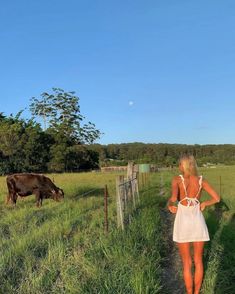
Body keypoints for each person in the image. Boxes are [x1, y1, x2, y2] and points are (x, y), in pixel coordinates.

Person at [167, 154, 220, 294]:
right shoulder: (201, 180)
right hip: (197, 221)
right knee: (198, 260)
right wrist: (204, 203)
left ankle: (189, 293)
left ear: (181, 166)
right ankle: (196, 293)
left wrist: (170, 205)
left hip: (183, 222)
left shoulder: (177, 180)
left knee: (186, 263)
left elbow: (173, 199)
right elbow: (217, 198)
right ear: (193, 165)